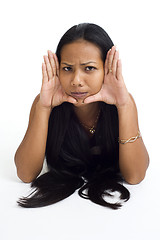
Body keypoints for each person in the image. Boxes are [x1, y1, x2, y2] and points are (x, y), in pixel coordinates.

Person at [14, 23, 149, 209]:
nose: (76, 81)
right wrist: (43, 108)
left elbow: (135, 176)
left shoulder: (123, 102)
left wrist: (124, 106)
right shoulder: (45, 101)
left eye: (89, 68)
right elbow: (25, 174)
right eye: (67, 68)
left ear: (106, 69)